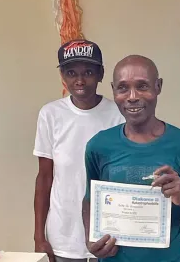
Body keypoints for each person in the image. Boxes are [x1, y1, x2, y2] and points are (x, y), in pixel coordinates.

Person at [82, 55, 180, 262]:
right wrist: (90, 240)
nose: (132, 96)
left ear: (158, 86)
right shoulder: (99, 146)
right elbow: (89, 199)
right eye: (123, 88)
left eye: (142, 86)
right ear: (113, 90)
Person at [33, 39, 126, 262]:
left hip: (108, 236)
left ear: (101, 74)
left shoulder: (118, 114)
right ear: (63, 77)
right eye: (72, 73)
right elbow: (45, 178)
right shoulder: (50, 114)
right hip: (63, 235)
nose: (80, 80)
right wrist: (39, 236)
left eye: (88, 72)